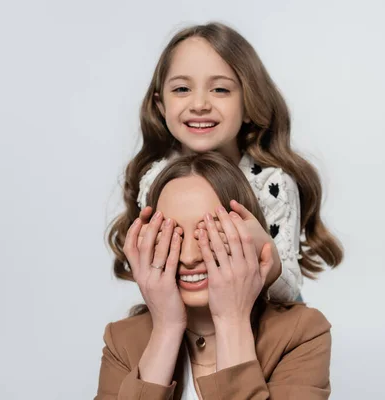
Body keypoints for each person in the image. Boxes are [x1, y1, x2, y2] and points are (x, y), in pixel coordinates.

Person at [107, 22, 343, 303]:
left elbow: (289, 293)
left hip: (263, 325)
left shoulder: (270, 184)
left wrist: (262, 251)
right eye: (182, 89)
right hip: (190, 326)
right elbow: (157, 280)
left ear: (249, 104)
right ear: (161, 106)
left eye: (220, 90)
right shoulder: (154, 179)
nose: (200, 104)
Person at [96, 152, 332, 399]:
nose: (189, 257)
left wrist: (232, 320)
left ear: (246, 236)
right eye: (172, 235)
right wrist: (166, 328)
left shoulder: (301, 334)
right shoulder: (121, 340)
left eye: (208, 234)